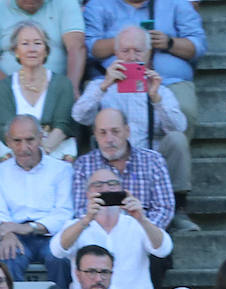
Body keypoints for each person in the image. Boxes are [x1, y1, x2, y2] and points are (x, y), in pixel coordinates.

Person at [49, 165, 194, 289]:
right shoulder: (77, 226)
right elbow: (56, 250)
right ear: (87, 193)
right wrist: (86, 219)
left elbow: (164, 248)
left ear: (122, 190)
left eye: (112, 184)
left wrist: (141, 218)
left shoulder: (135, 223)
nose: (106, 189)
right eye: (98, 185)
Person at [72, 23, 195, 228]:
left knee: (177, 140)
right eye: (125, 51)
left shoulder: (160, 89)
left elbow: (178, 128)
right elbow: (79, 116)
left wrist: (156, 99)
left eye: (138, 51)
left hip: (151, 162)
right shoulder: (101, 85)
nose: (131, 57)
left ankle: (177, 209)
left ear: (148, 54)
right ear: (116, 53)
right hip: (111, 162)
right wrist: (103, 86)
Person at [71, 107, 175, 235]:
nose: (109, 139)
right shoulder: (83, 165)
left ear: (127, 131)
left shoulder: (153, 161)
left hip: (145, 239)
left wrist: (141, 234)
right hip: (98, 240)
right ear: (95, 136)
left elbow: (164, 208)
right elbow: (80, 210)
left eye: (115, 131)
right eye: (102, 133)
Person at [0, 113, 72, 289]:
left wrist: (28, 228)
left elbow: (64, 213)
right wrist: (6, 233)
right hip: (15, 236)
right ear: (8, 142)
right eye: (17, 141)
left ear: (41, 138)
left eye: (30, 140)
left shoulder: (61, 169)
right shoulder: (1, 171)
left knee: (60, 257)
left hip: (51, 235)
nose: (24, 147)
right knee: (7, 256)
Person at [0, 19, 77, 161]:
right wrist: (25, 154)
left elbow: (63, 125)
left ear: (46, 50)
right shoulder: (4, 87)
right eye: (25, 44)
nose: (32, 49)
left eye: (37, 43)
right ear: (16, 50)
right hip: (15, 156)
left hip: (53, 153)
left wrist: (41, 153)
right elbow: (5, 129)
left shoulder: (62, 84)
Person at [0, 0, 85, 96]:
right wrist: (7, 90)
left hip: (56, 91)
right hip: (6, 88)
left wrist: (70, 88)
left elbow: (76, 46)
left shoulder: (65, 3)